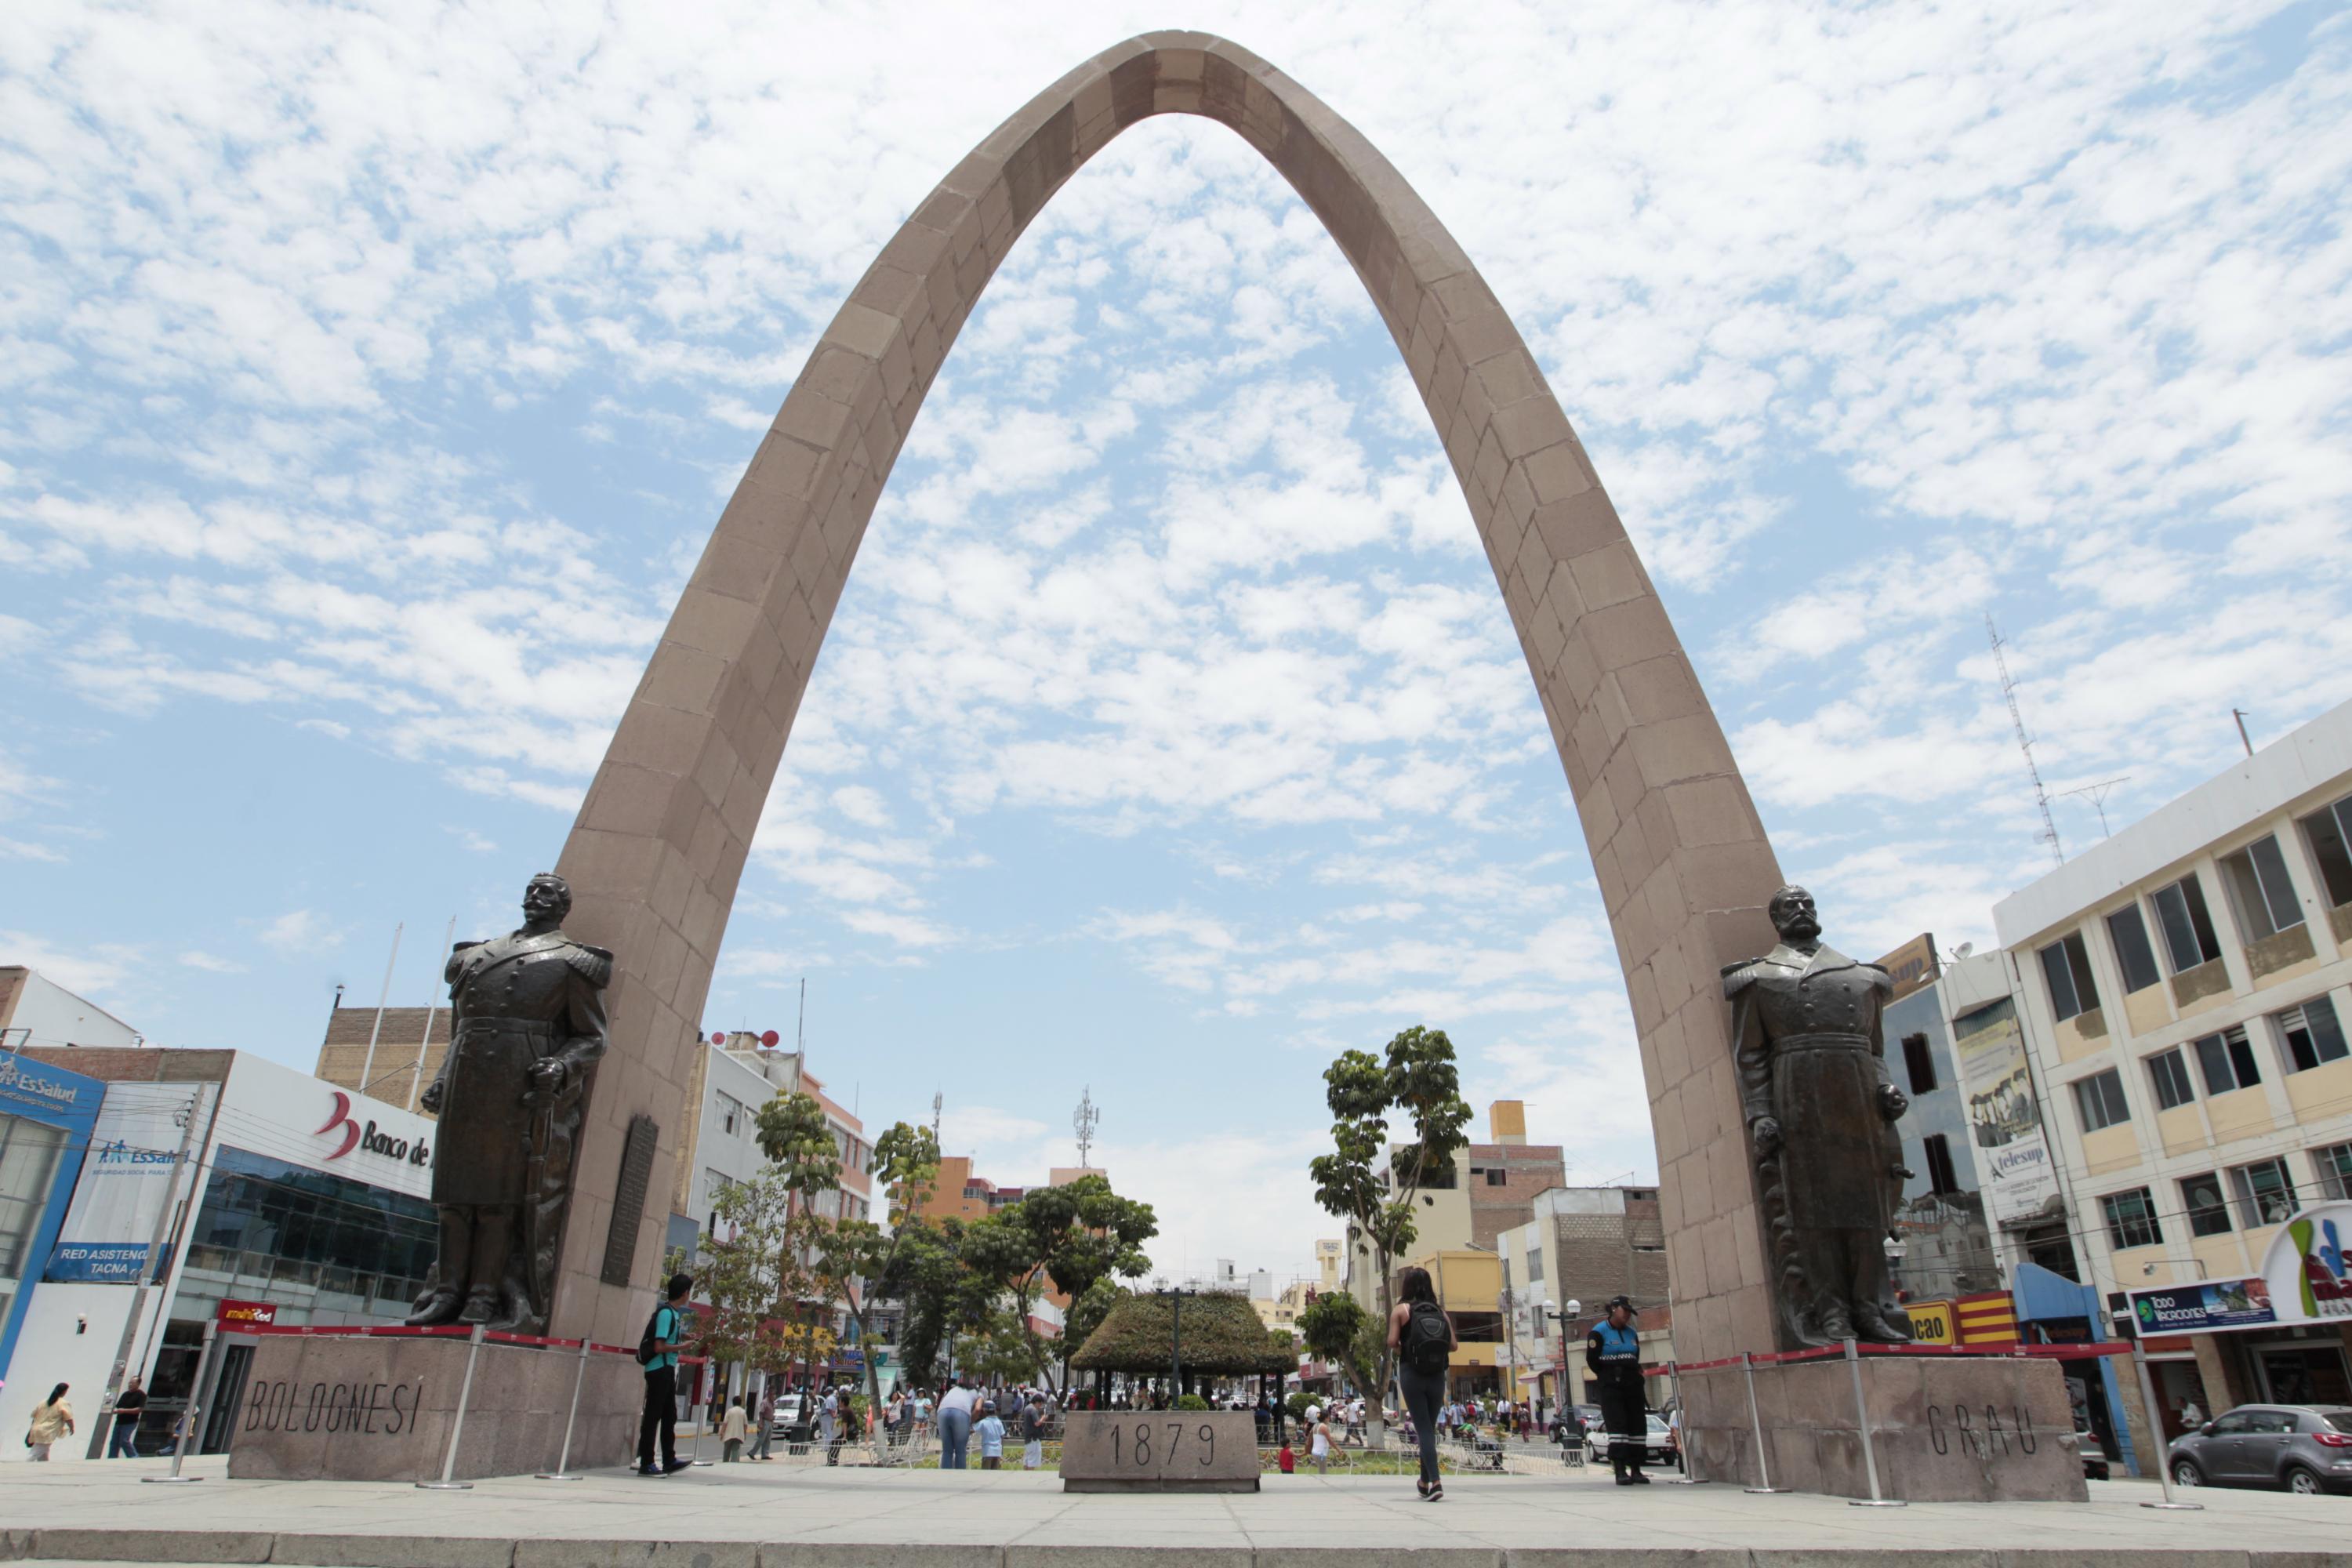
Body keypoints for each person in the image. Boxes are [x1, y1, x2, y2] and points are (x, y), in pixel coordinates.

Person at [1388, 1264, 1454, 1503]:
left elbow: (1392, 1341)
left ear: (1406, 1286)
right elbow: (1454, 1346)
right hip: (1437, 1375)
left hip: (1411, 1373)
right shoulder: (1441, 1312)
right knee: (1429, 1427)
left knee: (1423, 1429)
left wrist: (1404, 1344)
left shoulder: (1401, 1310)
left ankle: (1435, 1482)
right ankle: (1423, 1482)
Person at [1588, 1294, 1649, 1485]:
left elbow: (1636, 1357)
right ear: (1614, 1309)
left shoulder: (1632, 1333)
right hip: (1611, 1384)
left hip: (1632, 1384)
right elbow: (1592, 1361)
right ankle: (1620, 1470)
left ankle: (1637, 1470)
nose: (1628, 1316)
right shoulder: (1598, 1332)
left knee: (1637, 1427)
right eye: (1625, 1311)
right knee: (1618, 1426)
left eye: (1630, 1313)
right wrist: (1608, 1377)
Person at [637, 1272, 692, 1476]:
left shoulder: (674, 1314)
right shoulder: (666, 1313)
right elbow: (659, 1346)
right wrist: (682, 1345)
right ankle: (647, 1462)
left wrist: (684, 1336)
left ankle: (669, 1459)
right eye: (688, 1291)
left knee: (670, 1416)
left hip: (668, 1370)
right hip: (658, 1369)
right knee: (653, 1417)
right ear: (684, 1293)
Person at [937, 1377, 977, 1469]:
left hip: (942, 1412)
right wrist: (969, 1423)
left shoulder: (953, 1389)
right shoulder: (977, 1393)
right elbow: (978, 1409)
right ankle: (959, 1476)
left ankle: (945, 1476)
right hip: (961, 1413)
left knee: (947, 1450)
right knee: (960, 1450)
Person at [25, 1384, 72, 1461]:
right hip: (48, 1432)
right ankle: (23, 1466)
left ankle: (44, 1468)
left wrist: (32, 1429)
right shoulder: (63, 1403)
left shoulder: (43, 1402)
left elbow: (35, 1416)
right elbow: (68, 1418)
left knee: (43, 1453)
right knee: (35, 1453)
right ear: (64, 1392)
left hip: (36, 1429)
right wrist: (72, 1427)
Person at [107, 1375, 148, 1458]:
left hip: (130, 1422)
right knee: (114, 1441)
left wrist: (124, 1411)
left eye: (133, 1383)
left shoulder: (141, 1395)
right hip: (120, 1421)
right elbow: (119, 1406)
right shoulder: (126, 1394)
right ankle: (112, 1458)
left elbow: (139, 1409)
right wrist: (114, 1410)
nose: (130, 1385)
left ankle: (134, 1456)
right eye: (130, 1383)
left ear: (138, 1384)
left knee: (124, 1441)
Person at [975, 1401, 1007, 1470]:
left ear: (984, 1411)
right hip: (997, 1452)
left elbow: (973, 1429)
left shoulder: (983, 1422)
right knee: (995, 1473)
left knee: (986, 1473)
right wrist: (1001, 1451)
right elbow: (1002, 1437)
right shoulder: (999, 1422)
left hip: (987, 1451)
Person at [719, 1396, 750, 1462]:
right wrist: (744, 1434)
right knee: (735, 1452)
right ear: (740, 1403)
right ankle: (734, 1465)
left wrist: (722, 1433)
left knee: (726, 1451)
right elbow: (745, 1425)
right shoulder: (743, 1412)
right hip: (738, 1435)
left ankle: (725, 1463)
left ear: (733, 1403)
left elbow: (725, 1423)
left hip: (728, 1435)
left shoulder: (730, 1411)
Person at [1019, 1395, 1047, 1470]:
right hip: (1033, 1438)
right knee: (1032, 1460)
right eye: (1040, 1404)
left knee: (1027, 1459)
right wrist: (1043, 1418)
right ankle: (1030, 1477)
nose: (1040, 1406)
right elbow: (1037, 1423)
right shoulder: (1033, 1410)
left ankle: (1025, 1477)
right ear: (1037, 1402)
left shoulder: (1027, 1408)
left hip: (1028, 1437)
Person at [747, 1388, 775, 1461]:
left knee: (768, 1439)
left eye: (774, 1394)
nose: (773, 1396)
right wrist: (760, 1422)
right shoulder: (764, 1402)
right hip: (765, 1421)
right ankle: (752, 1452)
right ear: (768, 1394)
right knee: (761, 1438)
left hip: (770, 1422)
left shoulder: (772, 1403)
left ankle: (765, 1454)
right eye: (772, 1394)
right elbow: (761, 1413)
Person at [1309, 1410, 1333, 1474]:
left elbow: (1310, 1436)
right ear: (1325, 1418)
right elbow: (1330, 1441)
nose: (1329, 1419)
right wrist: (1339, 1450)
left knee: (1321, 1472)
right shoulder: (1324, 1427)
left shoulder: (1315, 1425)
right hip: (1321, 1454)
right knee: (1323, 1473)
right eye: (1329, 1417)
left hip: (1315, 1452)